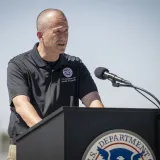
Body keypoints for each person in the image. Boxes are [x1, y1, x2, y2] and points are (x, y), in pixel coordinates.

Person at [6, 8, 104, 160]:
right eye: (58, 31)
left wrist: (103, 126)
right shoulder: (19, 64)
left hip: (67, 147)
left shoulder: (75, 65)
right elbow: (22, 105)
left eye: (66, 31)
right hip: (27, 146)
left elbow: (92, 101)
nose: (64, 37)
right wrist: (50, 135)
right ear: (40, 35)